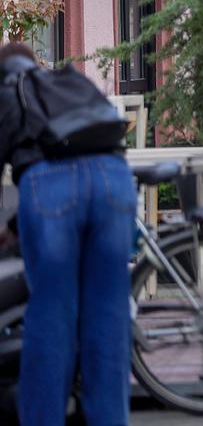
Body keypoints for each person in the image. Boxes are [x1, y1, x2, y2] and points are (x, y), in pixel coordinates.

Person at [0, 42, 134, 425]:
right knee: (108, 316)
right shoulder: (69, 80)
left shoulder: (8, 91)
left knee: (53, 314)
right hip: (115, 181)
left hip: (50, 187)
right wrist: (13, 230)